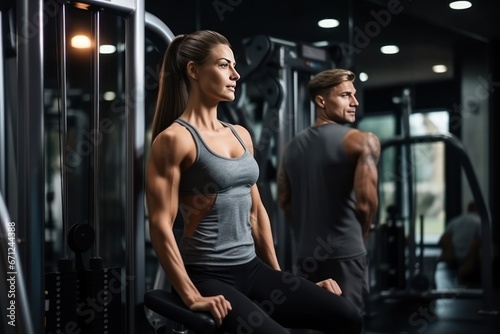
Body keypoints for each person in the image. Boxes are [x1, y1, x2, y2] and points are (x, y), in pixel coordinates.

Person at [145, 30, 362, 334]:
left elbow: (256, 213)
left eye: (234, 66)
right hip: (207, 274)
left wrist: (285, 283)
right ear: (194, 70)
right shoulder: (174, 140)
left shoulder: (240, 134)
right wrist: (191, 295)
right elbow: (160, 226)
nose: (235, 74)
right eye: (224, 66)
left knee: (348, 315)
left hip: (252, 268)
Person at [277, 68, 380, 315]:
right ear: (321, 101)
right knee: (346, 323)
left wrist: (307, 231)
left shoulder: (290, 148)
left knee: (312, 323)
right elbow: (365, 204)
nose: (355, 102)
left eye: (354, 95)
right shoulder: (362, 140)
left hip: (305, 256)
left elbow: (284, 200)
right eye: (346, 95)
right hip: (345, 254)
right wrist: (362, 236)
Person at [437, 201, 481, 283]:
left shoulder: (455, 220)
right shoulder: (481, 221)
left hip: (455, 258)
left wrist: (450, 252)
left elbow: (442, 240)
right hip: (469, 259)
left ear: (468, 209)